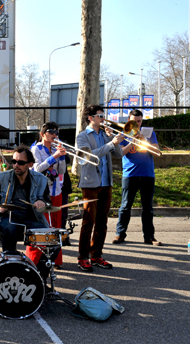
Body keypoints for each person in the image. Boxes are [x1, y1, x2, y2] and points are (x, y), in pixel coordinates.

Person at [0, 145, 57, 280]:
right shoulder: (2, 177)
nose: (16, 165)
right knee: (9, 228)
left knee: (53, 243)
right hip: (10, 218)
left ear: (30, 164)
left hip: (32, 220)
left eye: (21, 162)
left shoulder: (41, 180)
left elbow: (49, 203)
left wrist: (42, 204)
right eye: (14, 161)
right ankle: (10, 273)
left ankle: (39, 279)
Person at [76, 104, 123, 272]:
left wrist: (115, 141)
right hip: (90, 183)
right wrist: (111, 144)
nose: (103, 119)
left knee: (102, 222)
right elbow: (90, 156)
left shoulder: (105, 134)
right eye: (100, 116)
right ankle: (83, 257)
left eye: (103, 116)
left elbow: (119, 154)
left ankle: (96, 255)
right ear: (91, 118)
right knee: (89, 221)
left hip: (106, 183)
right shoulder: (82, 137)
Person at [113, 109, 162, 246]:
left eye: (139, 121)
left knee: (148, 208)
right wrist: (133, 142)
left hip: (147, 174)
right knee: (125, 206)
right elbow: (121, 153)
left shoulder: (150, 134)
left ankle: (149, 237)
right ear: (129, 120)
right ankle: (120, 234)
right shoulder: (122, 135)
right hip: (130, 174)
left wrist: (144, 140)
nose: (137, 124)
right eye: (134, 121)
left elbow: (157, 152)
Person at [30, 122, 67, 267]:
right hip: (41, 192)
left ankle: (55, 259)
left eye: (56, 132)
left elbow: (62, 171)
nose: (54, 135)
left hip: (56, 190)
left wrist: (62, 157)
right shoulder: (35, 149)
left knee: (56, 226)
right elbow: (37, 168)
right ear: (42, 134)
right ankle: (36, 260)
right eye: (51, 131)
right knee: (41, 226)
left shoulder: (55, 148)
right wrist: (54, 156)